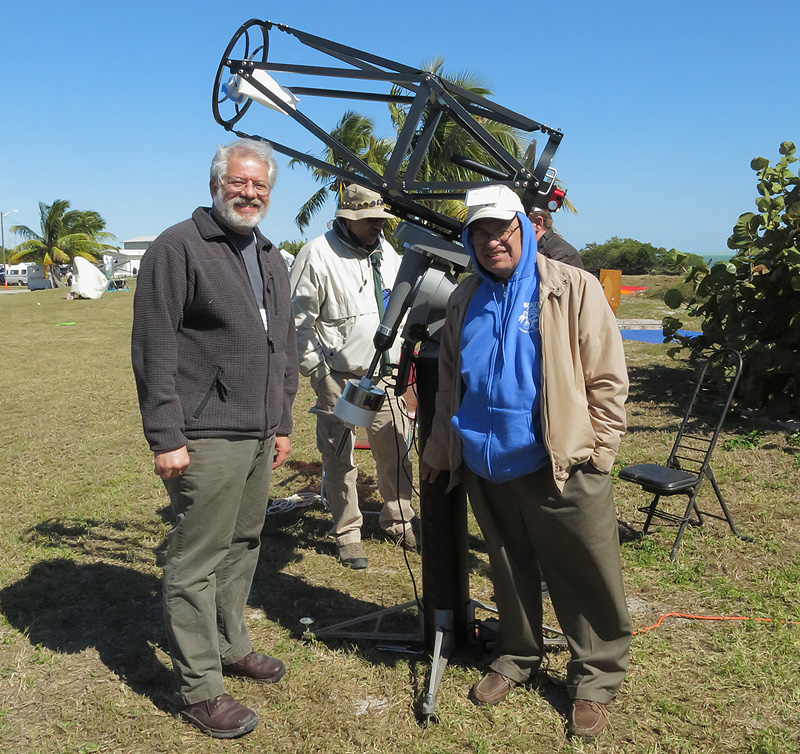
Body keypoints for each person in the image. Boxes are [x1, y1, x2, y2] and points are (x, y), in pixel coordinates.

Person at [421, 185, 631, 741]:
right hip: (488, 464)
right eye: (480, 233)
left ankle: (593, 678)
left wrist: (599, 451)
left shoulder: (570, 287)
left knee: (584, 571)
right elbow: (449, 387)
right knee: (509, 568)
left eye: (502, 229)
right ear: (469, 239)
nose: (493, 242)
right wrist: (442, 450)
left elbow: (607, 378)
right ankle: (516, 655)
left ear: (526, 228)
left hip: (559, 462)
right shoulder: (464, 297)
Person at [131, 138, 298, 739]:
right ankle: (201, 687)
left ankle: (231, 644)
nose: (249, 194)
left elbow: (284, 347)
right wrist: (166, 434)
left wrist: (281, 421)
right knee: (196, 558)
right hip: (205, 432)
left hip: (258, 432)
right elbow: (154, 345)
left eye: (260, 187)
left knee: (244, 542)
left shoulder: (271, 255)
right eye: (239, 183)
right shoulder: (178, 248)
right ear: (216, 185)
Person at [290, 184, 416, 570]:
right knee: (339, 457)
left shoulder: (386, 253)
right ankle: (348, 533)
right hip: (339, 377)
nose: (378, 225)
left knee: (395, 449)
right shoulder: (316, 255)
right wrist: (319, 373)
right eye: (370, 221)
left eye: (381, 219)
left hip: (386, 375)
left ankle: (399, 520)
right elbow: (296, 322)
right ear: (347, 218)